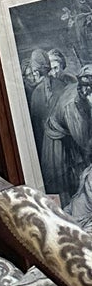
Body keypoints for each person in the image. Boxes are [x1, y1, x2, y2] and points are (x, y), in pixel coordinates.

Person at [40, 62, 92, 202]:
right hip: (59, 141)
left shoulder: (85, 92)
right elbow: (86, 144)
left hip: (75, 136)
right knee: (65, 188)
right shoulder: (72, 107)